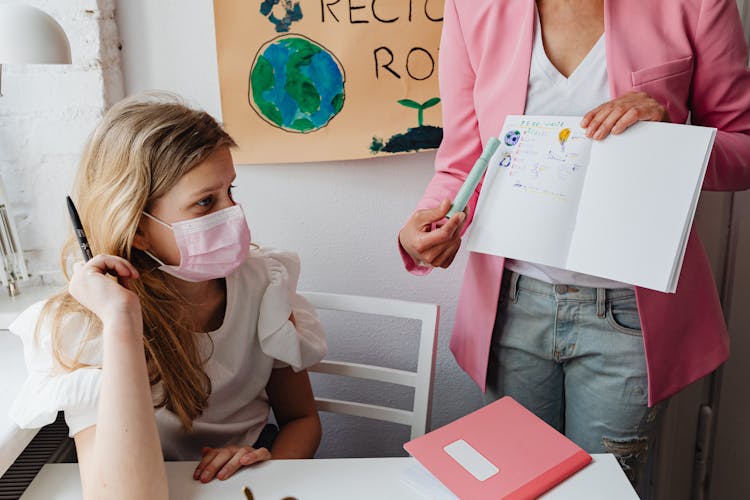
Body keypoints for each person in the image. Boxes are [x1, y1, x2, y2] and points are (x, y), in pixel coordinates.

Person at [398, 0, 750, 489]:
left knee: (603, 493)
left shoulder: (696, 5)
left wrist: (671, 135)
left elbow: (743, 146)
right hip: (512, 308)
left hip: (632, 318)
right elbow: (465, 161)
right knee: (515, 486)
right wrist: (424, 225)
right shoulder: (470, 7)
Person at [9, 93, 327, 499]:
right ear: (137, 227)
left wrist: (264, 463)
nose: (233, 213)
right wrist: (122, 320)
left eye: (231, 191)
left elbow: (302, 419)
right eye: (205, 202)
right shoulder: (84, 326)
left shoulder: (265, 283)